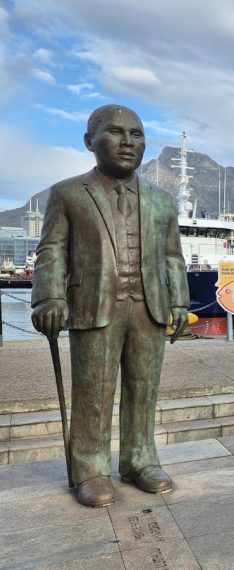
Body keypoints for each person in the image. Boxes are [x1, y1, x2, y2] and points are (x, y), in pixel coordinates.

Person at [31, 105, 189, 507]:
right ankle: (91, 468)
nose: (127, 142)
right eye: (115, 133)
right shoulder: (68, 193)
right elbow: (52, 249)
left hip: (149, 306)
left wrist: (180, 302)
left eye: (136, 134)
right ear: (90, 141)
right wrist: (49, 297)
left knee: (143, 388)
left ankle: (139, 459)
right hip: (94, 305)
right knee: (93, 391)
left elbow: (172, 256)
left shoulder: (161, 200)